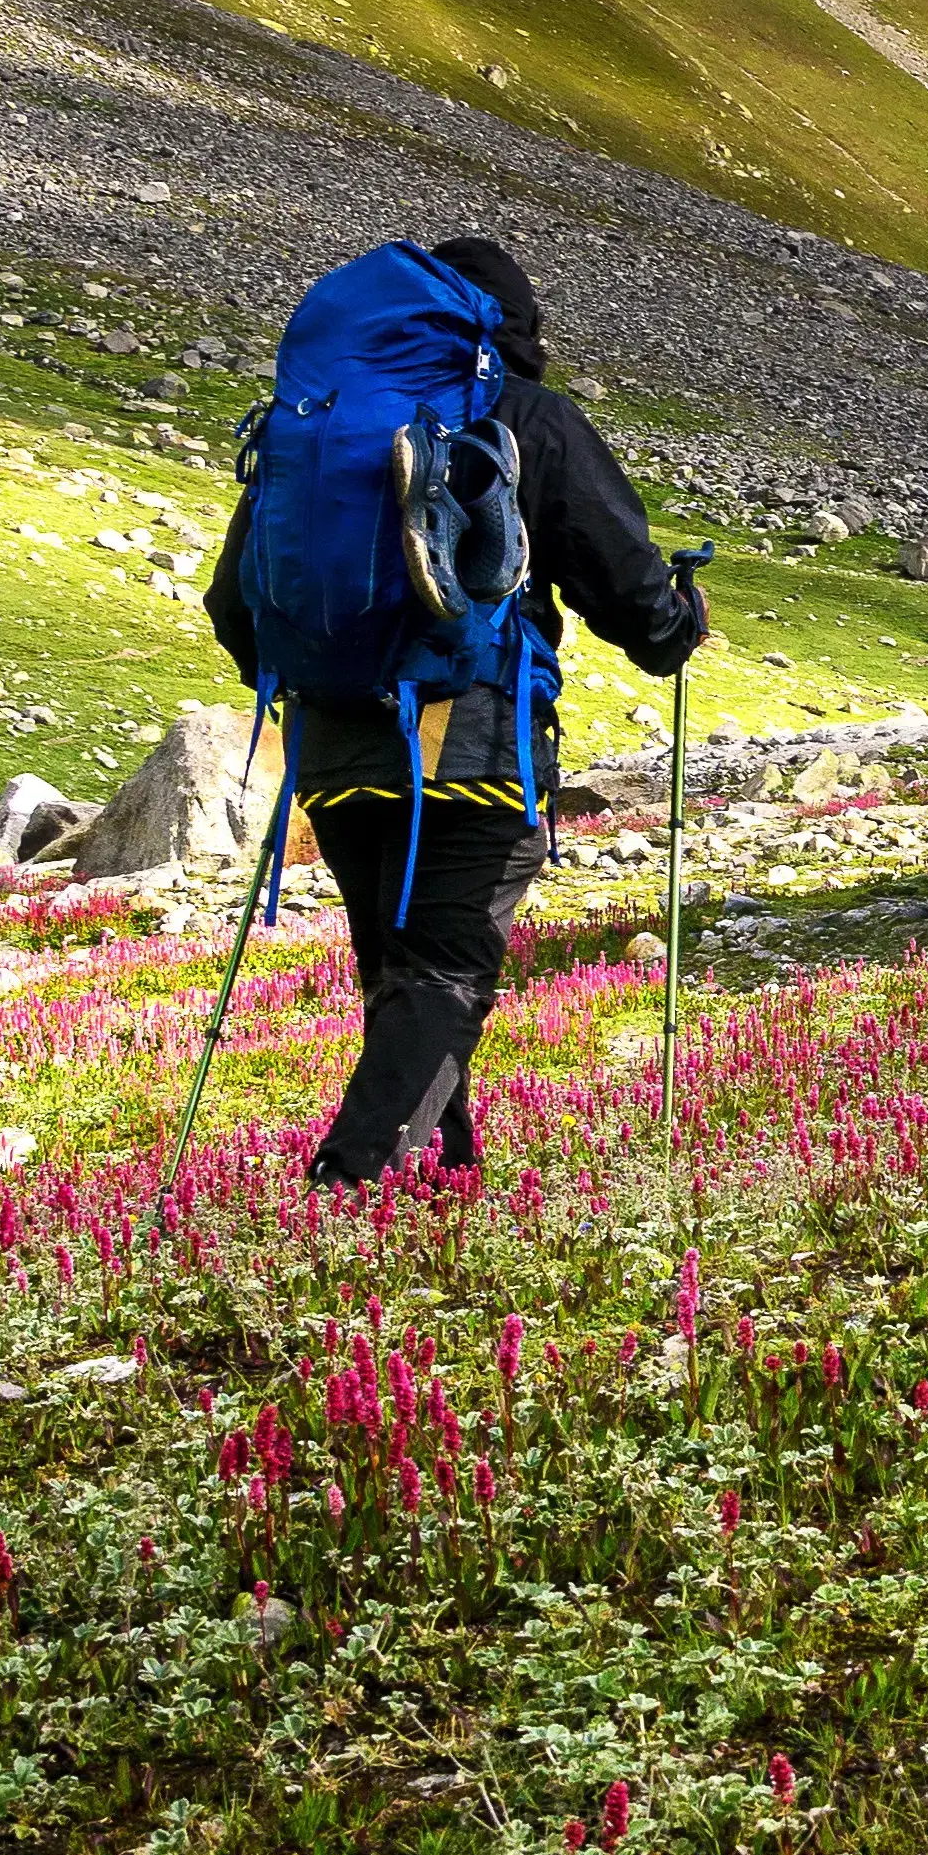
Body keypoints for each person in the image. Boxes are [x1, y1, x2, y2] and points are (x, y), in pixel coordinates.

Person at [205, 234, 704, 1188]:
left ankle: (441, 1186)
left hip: (340, 748)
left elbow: (236, 606)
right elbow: (639, 606)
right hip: (471, 742)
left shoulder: (317, 423)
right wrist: (679, 622)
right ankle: (346, 1193)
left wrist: (339, 670)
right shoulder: (525, 419)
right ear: (510, 326)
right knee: (444, 973)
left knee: (402, 975)